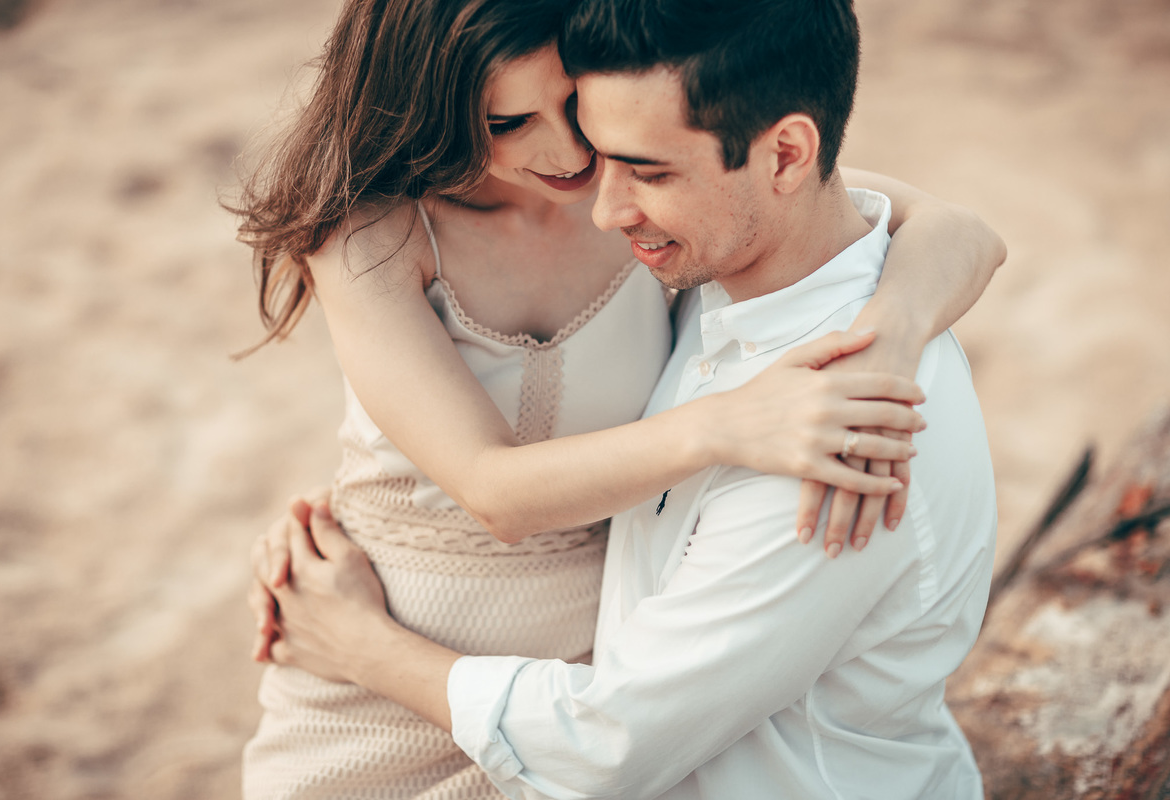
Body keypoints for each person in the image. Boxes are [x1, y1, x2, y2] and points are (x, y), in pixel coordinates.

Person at [237, 0, 1004, 796]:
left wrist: (889, 339)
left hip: (579, 664)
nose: (570, 153)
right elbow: (491, 489)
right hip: (380, 637)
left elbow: (955, 228)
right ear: (432, 106)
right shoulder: (381, 233)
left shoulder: (656, 195)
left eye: (574, 104)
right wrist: (723, 426)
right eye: (508, 122)